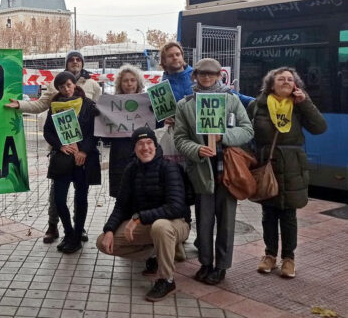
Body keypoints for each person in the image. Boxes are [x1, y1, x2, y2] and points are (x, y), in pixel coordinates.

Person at [6, 50, 101, 244]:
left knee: (80, 194)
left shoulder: (92, 87)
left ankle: (78, 229)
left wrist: (84, 149)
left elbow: (97, 120)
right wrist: (21, 105)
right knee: (57, 195)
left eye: (78, 59)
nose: (75, 62)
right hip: (62, 154)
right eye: (71, 60)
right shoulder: (54, 92)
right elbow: (41, 107)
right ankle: (54, 226)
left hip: (83, 154)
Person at [173, 58, 253, 285]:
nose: (206, 77)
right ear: (194, 76)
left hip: (227, 172)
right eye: (202, 74)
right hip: (201, 172)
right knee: (204, 221)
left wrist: (223, 137)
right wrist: (197, 149)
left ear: (219, 76)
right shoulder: (185, 105)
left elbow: (247, 130)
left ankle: (221, 266)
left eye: (211, 74)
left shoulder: (231, 100)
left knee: (227, 223)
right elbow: (180, 139)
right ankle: (206, 263)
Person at [248, 67, 326, 278]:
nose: (286, 82)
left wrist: (305, 102)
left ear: (295, 85)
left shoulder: (299, 106)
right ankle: (269, 256)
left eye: (290, 79)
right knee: (268, 214)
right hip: (267, 164)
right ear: (271, 84)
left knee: (289, 214)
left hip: (292, 166)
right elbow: (246, 132)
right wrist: (251, 158)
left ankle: (288, 259)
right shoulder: (257, 105)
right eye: (280, 79)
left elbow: (320, 127)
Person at [96, 127, 190, 301]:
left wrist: (139, 217)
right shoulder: (131, 170)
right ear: (134, 148)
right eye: (140, 144)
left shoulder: (169, 168)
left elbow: (176, 207)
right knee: (103, 243)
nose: (145, 148)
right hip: (148, 225)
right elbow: (121, 205)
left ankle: (166, 280)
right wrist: (109, 229)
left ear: (155, 145)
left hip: (175, 223)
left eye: (149, 143)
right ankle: (156, 253)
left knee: (160, 227)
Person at [42, 71, 100, 254]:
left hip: (83, 159)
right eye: (61, 87)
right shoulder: (55, 106)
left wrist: (84, 150)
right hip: (62, 160)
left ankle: (76, 236)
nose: (66, 89)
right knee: (59, 199)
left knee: (80, 198)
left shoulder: (88, 105)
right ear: (57, 88)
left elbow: (95, 132)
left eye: (68, 85)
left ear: (75, 84)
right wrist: (60, 146)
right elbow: (48, 131)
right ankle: (68, 232)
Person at [106, 64, 145, 198]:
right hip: (120, 155)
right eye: (125, 81)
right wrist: (100, 117)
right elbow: (105, 139)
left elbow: (156, 130)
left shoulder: (148, 103)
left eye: (132, 80)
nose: (129, 84)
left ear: (138, 82)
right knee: (122, 197)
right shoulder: (111, 105)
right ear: (120, 84)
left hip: (143, 153)